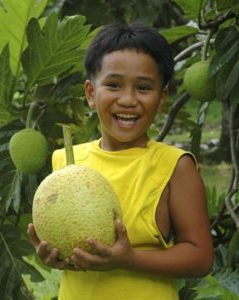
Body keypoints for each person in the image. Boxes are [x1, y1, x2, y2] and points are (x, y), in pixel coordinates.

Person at [27, 22, 214, 300]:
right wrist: (55, 256)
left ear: (161, 98)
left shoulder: (175, 166)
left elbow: (201, 258)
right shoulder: (65, 163)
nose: (128, 99)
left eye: (143, 88)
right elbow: (67, 242)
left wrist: (129, 259)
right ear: (91, 93)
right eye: (114, 85)